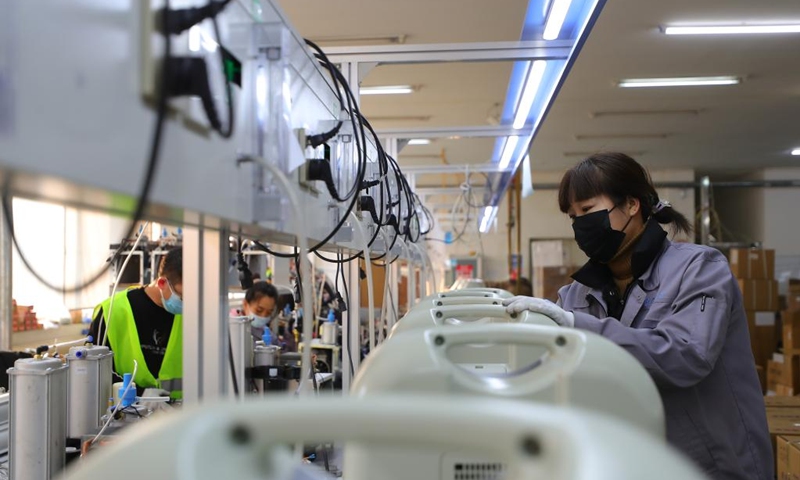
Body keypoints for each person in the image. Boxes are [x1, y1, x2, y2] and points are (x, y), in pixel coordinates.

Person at [503, 153, 772, 479]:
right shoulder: (577, 294)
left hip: (711, 466)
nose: (581, 225)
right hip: (631, 463)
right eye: (573, 217)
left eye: (587, 210)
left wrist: (577, 329)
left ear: (632, 205)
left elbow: (687, 354)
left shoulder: (699, 269)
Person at [90, 247, 183, 399]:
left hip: (176, 416)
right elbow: (94, 374)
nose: (187, 304)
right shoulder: (111, 311)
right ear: (161, 283)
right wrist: (140, 394)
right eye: (182, 297)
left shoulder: (190, 317)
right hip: (123, 415)